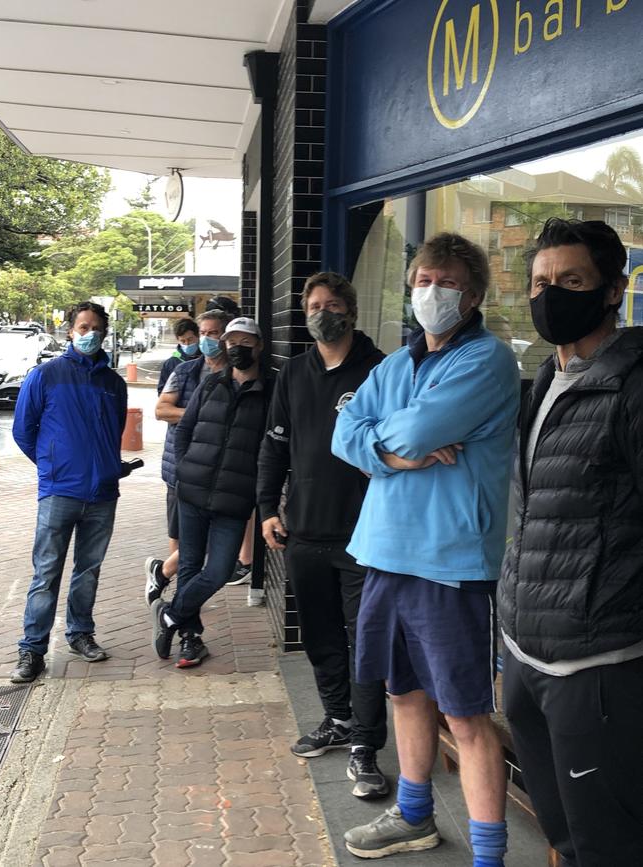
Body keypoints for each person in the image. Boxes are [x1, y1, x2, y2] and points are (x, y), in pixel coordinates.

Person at [332, 233, 520, 866]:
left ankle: (488, 856)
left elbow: (414, 427)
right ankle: (414, 816)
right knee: (404, 693)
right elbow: (344, 432)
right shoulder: (396, 363)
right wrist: (394, 456)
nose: (429, 291)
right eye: (420, 279)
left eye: (444, 281)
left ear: (472, 295)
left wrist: (393, 438)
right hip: (384, 552)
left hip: (450, 562)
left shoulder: (486, 361)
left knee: (466, 717)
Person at [498, 218, 643, 867]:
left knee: (608, 847)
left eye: (572, 280)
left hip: (597, 670)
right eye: (540, 281)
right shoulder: (542, 380)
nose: (551, 293)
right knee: (562, 838)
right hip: (525, 657)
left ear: (613, 290)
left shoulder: (633, 385)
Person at [258, 271, 389, 799]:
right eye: (313, 304)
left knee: (365, 644)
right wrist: (267, 507)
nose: (321, 312)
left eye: (332, 303)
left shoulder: (380, 371)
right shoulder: (294, 372)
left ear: (351, 311)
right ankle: (337, 720)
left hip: (364, 535)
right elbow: (274, 446)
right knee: (320, 636)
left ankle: (366, 746)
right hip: (304, 532)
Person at [10, 301, 128, 683]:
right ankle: (32, 651)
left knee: (88, 571)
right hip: (60, 491)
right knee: (46, 572)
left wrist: (111, 468)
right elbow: (23, 430)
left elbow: (114, 434)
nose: (89, 333)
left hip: (102, 494)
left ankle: (80, 634)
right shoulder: (46, 375)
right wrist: (51, 467)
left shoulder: (115, 383)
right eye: (82, 327)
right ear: (70, 331)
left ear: (105, 333)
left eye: (96, 327)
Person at [150, 317, 270, 668]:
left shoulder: (272, 391)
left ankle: (169, 615)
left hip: (234, 501)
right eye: (231, 341)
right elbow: (183, 430)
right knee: (188, 567)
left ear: (258, 346)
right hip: (193, 494)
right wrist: (187, 471)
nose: (236, 348)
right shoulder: (211, 383)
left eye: (245, 341)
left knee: (217, 572)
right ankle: (190, 637)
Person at [144, 310, 232, 606]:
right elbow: (161, 410)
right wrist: (202, 417)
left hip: (220, 472)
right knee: (181, 536)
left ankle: (165, 574)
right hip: (182, 468)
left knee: (209, 541)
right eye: (203, 333)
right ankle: (183, 607)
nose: (207, 339)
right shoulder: (184, 372)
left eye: (214, 333)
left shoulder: (236, 374)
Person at [156, 317, 202, 395]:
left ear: (198, 337)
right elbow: (162, 392)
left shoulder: (207, 359)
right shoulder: (170, 363)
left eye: (190, 339)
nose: (187, 344)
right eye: (183, 341)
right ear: (178, 340)